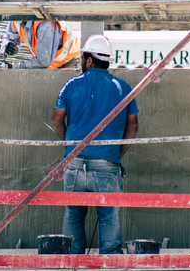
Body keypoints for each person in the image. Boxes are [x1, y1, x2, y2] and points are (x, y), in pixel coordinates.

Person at [51, 35, 139, 254]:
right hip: (107, 164)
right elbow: (133, 127)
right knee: (108, 214)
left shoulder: (72, 85)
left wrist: (71, 147)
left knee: (73, 214)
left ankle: (72, 263)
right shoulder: (123, 87)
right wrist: (116, 153)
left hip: (74, 163)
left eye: (83, 58)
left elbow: (56, 119)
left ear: (89, 60)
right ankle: (109, 263)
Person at [0, 21, 80, 69]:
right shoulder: (16, 19)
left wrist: (15, 68)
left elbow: (43, 61)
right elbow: (8, 37)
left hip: (71, 63)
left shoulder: (45, 25)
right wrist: (6, 46)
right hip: (51, 66)